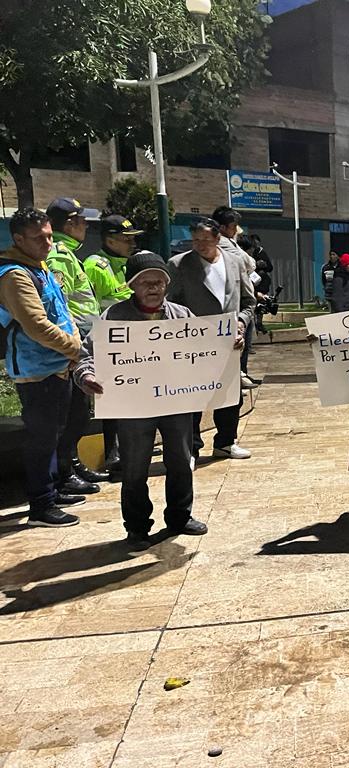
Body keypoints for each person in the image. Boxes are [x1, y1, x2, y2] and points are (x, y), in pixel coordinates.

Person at [75, 252, 208, 550]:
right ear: (132, 285)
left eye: (160, 282)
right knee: (134, 468)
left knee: (181, 463)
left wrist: (230, 344)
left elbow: (206, 349)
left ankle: (179, 517)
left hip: (176, 403)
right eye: (146, 282)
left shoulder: (182, 316)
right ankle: (136, 527)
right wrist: (86, 376)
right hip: (134, 408)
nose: (154, 287)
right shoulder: (113, 318)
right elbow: (87, 356)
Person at [0, 208, 84, 526]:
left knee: (54, 433)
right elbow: (36, 326)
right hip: (37, 371)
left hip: (58, 365)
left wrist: (73, 349)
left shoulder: (40, 267)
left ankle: (55, 487)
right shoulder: (15, 275)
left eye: (49, 235)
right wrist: (76, 348)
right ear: (19, 239)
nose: (47, 242)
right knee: (41, 438)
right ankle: (41, 505)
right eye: (39, 238)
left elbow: (62, 312)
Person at [166, 217, 254, 460]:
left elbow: (248, 301)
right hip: (193, 343)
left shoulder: (235, 262)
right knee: (193, 397)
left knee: (229, 396)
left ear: (218, 239)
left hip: (229, 342)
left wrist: (241, 323)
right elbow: (170, 304)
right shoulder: (178, 265)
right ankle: (191, 448)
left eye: (206, 239)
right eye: (196, 240)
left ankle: (226, 441)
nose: (201, 244)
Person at [45, 197, 105, 493]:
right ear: (70, 223)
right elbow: (59, 307)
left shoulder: (67, 253)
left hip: (79, 343)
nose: (85, 227)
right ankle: (63, 472)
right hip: (73, 347)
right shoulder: (58, 256)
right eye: (82, 221)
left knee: (79, 411)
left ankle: (71, 462)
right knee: (75, 413)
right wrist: (72, 349)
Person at [84, 213, 144, 475]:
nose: (132, 243)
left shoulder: (125, 264)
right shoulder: (95, 266)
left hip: (133, 341)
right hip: (111, 342)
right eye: (126, 239)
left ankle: (134, 445)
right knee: (113, 400)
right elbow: (92, 306)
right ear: (110, 239)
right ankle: (113, 454)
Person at [211, 206, 258, 390]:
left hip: (242, 299)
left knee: (243, 338)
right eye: (233, 226)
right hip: (228, 302)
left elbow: (249, 264)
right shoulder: (222, 242)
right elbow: (248, 262)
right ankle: (236, 377)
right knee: (236, 342)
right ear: (222, 228)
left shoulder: (231, 242)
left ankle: (240, 373)